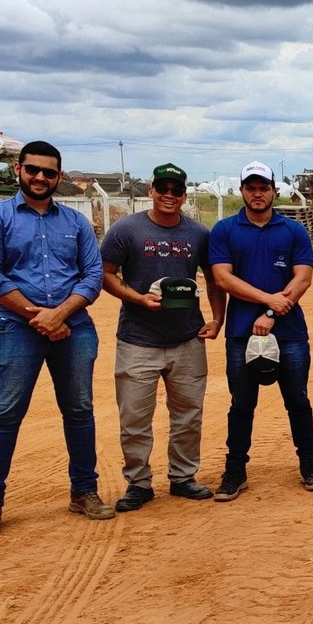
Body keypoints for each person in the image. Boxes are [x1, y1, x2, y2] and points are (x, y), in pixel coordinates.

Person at [0, 140, 112, 536]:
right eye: (33, 169)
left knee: (80, 410)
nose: (40, 177)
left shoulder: (76, 223)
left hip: (74, 326)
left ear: (59, 177)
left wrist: (61, 314)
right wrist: (40, 316)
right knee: (4, 414)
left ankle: (84, 492)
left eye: (49, 172)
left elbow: (93, 276)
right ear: (19, 169)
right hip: (15, 327)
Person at [99, 162, 225, 511]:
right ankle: (138, 483)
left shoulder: (198, 234)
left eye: (177, 190)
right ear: (151, 191)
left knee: (188, 414)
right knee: (135, 419)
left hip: (187, 338)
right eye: (163, 189)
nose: (169, 195)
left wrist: (217, 320)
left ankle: (183, 477)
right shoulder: (126, 230)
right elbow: (105, 274)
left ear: (184, 195)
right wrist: (138, 298)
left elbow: (214, 280)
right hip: (137, 339)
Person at [208, 160, 313, 500]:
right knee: (241, 403)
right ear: (242, 191)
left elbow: (302, 278)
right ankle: (235, 470)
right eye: (251, 187)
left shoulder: (293, 231)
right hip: (242, 333)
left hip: (289, 333)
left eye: (264, 187)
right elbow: (222, 278)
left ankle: (309, 463)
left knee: (298, 400)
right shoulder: (225, 230)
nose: (258, 193)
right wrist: (267, 299)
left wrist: (271, 311)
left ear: (274, 190)